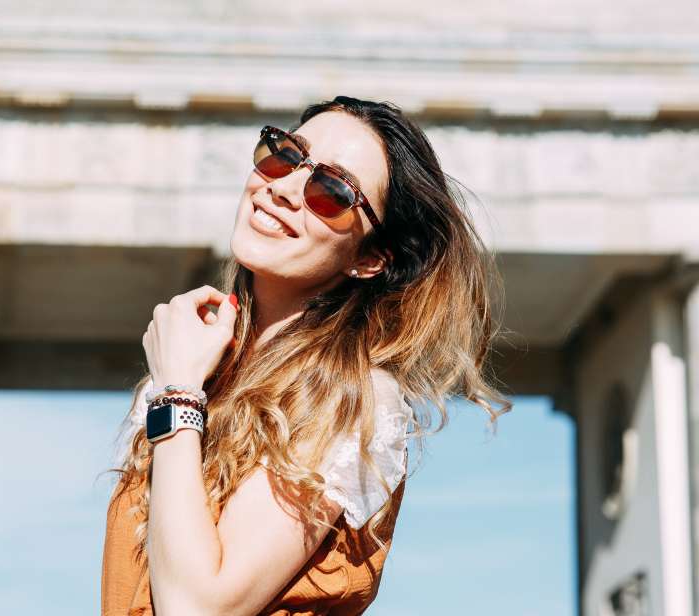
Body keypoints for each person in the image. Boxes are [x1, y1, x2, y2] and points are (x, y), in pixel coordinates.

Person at [101, 95, 511, 615]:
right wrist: (180, 386)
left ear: (369, 259)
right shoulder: (195, 370)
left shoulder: (355, 401)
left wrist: (177, 393)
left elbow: (198, 607)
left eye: (334, 191)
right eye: (286, 154)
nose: (286, 188)